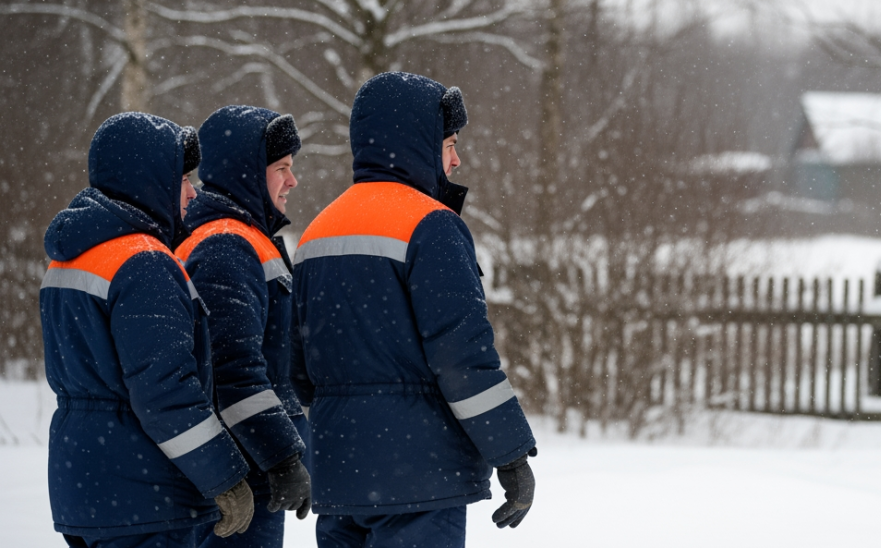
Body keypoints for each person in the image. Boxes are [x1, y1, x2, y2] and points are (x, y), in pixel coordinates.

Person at [292, 72, 537, 548]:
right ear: (418, 143)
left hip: (339, 476)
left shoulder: (315, 235)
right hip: (421, 479)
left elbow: (298, 369)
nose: (456, 158)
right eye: (449, 142)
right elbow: (461, 357)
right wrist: (510, 454)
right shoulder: (431, 227)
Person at [40, 112, 255, 547]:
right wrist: (226, 477)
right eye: (183, 178)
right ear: (150, 178)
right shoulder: (144, 263)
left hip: (83, 484)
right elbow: (165, 390)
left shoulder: (69, 257)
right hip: (145, 489)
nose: (194, 193)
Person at [176, 106, 313, 548]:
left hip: (250, 465)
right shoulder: (225, 246)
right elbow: (231, 368)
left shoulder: (247, 237)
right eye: (282, 168)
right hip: (240, 471)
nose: (292, 181)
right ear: (249, 172)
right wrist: (281, 457)